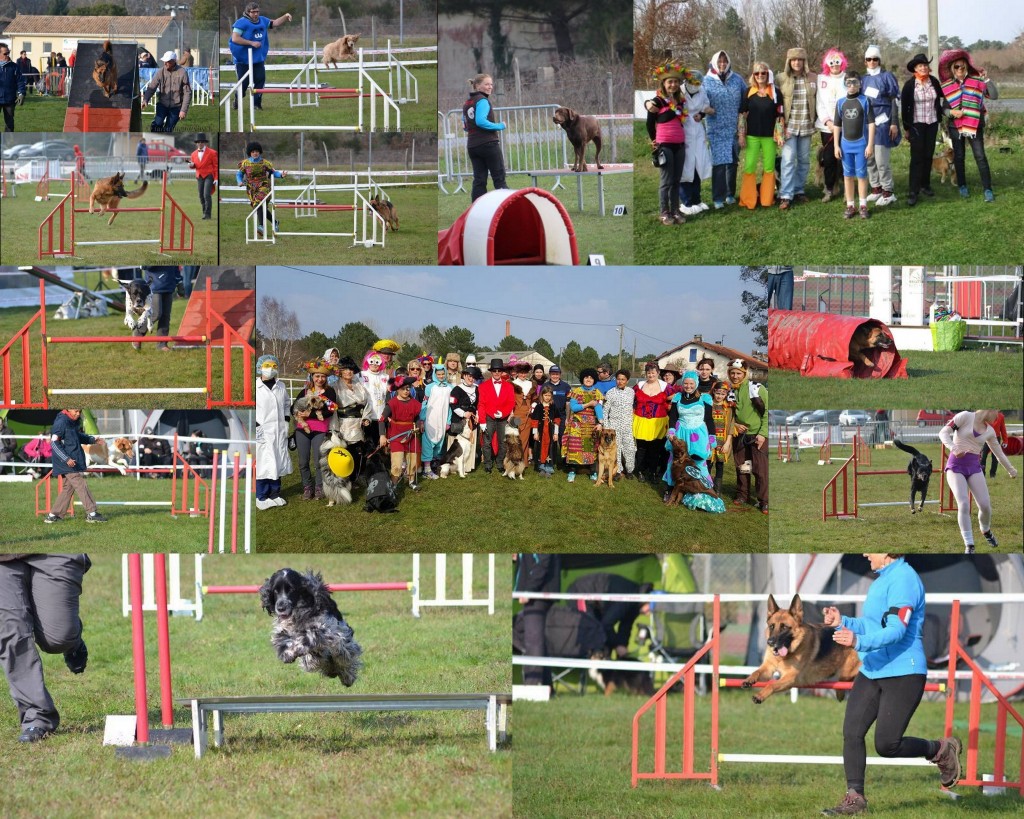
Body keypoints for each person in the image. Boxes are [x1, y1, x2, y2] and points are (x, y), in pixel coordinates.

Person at [820, 554, 963, 816]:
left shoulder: (905, 579)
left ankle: (940, 750)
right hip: (873, 669)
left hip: (904, 672)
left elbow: (896, 631)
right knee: (852, 732)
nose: (865, 554)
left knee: (887, 745)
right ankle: (856, 799)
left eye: (869, 549)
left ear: (887, 551)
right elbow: (873, 625)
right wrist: (843, 622)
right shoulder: (881, 580)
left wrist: (857, 642)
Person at [0, 554, 91, 743]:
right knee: (10, 632)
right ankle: (37, 716)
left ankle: (71, 640)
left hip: (52, 552)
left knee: (57, 639)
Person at [939, 410, 1017, 553]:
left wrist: (1011, 470)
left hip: (974, 468)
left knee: (985, 505)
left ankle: (985, 531)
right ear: (989, 409)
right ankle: (969, 545)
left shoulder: (991, 431)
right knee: (963, 504)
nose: (998, 417)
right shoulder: (965, 416)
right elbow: (943, 432)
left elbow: (998, 453)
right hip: (955, 466)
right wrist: (954, 448)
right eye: (996, 412)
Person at [938, 49, 998, 202]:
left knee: (980, 156)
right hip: (955, 126)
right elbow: (943, 109)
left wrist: (987, 80)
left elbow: (994, 96)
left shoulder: (976, 81)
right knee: (959, 157)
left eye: (962, 67)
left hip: (974, 125)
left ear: (966, 68)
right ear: (952, 68)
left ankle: (988, 189)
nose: (959, 70)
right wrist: (952, 113)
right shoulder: (947, 86)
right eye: (956, 67)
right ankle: (962, 186)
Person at [41, 409, 108, 524]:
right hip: (66, 461)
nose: (78, 414)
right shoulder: (61, 422)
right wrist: (66, 458)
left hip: (72, 460)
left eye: (80, 411)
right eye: (75, 411)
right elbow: (54, 443)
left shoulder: (72, 421)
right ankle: (92, 513)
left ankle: (53, 515)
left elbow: (76, 437)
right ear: (68, 409)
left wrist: (92, 440)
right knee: (81, 484)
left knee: (68, 488)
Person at [566, 573, 653, 657]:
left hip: (597, 603)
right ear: (646, 600)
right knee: (593, 629)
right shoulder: (627, 600)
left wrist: (622, 645)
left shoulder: (635, 602)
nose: (648, 614)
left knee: (602, 634)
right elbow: (606, 624)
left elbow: (626, 625)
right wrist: (617, 645)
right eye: (650, 609)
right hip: (580, 593)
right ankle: (594, 661)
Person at [645, 60, 687, 225]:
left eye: (676, 82)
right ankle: (664, 212)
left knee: (677, 180)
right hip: (665, 145)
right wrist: (654, 141)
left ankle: (675, 210)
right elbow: (649, 123)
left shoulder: (681, 101)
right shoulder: (658, 101)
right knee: (666, 180)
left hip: (680, 145)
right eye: (670, 82)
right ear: (664, 83)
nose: (673, 85)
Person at [901, 54, 945, 207]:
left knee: (928, 155)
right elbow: (905, 107)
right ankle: (913, 191)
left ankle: (925, 185)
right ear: (915, 68)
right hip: (916, 124)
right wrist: (907, 128)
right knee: (917, 157)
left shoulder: (934, 82)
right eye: (920, 66)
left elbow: (943, 97)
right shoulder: (909, 85)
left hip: (932, 123)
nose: (924, 68)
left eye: (925, 65)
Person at [704, 51, 747, 208]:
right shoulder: (706, 81)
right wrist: (706, 109)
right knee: (719, 164)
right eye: (719, 61)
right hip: (716, 128)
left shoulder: (737, 79)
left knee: (732, 162)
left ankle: (730, 194)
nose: (722, 64)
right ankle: (718, 197)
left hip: (734, 128)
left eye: (725, 61)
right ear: (714, 62)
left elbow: (746, 97)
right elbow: (699, 100)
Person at [230, 2, 293, 110]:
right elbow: (235, 38)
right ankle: (237, 100)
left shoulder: (262, 20)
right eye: (253, 12)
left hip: (257, 59)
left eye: (257, 12)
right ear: (248, 12)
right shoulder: (241, 23)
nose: (255, 14)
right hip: (243, 59)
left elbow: (275, 23)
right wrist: (251, 43)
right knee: (243, 84)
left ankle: (256, 104)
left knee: (260, 80)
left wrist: (286, 16)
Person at [738, 62, 784, 210]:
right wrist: (741, 135)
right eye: (757, 73)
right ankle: (748, 200)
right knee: (750, 167)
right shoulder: (748, 92)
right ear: (753, 75)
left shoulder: (775, 92)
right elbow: (742, 115)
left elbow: (780, 115)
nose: (760, 76)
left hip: (769, 137)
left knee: (769, 168)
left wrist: (780, 134)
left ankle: (767, 199)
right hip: (752, 136)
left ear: (767, 74)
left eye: (763, 73)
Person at [861, 45, 901, 207]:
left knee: (881, 159)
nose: (872, 62)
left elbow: (894, 100)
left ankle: (888, 191)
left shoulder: (887, 77)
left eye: (875, 59)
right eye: (869, 59)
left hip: (883, 121)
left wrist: (894, 123)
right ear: (865, 61)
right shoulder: (862, 79)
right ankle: (875, 188)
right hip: (866, 122)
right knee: (869, 157)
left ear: (879, 60)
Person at [292, 359, 337, 500]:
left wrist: (310, 414)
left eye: (323, 376)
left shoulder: (329, 392)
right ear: (312, 377)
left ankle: (319, 487)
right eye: (317, 376)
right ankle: (307, 487)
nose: (320, 379)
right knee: (303, 461)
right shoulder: (305, 391)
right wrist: (299, 414)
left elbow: (332, 410)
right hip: (302, 429)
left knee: (318, 460)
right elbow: (293, 407)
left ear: (326, 378)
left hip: (320, 429)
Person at [727, 358, 768, 513]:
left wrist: (763, 434)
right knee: (742, 467)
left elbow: (767, 412)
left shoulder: (757, 388)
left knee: (760, 469)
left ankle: (764, 500)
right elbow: (729, 415)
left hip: (757, 434)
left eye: (738, 373)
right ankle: (743, 494)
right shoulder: (730, 391)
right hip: (740, 435)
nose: (735, 376)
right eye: (732, 373)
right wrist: (735, 425)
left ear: (744, 373)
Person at [514, 553, 561, 690]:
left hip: (538, 594)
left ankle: (533, 687)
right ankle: (547, 688)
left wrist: (529, 590)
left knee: (533, 641)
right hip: (538, 593)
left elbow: (543, 561)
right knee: (538, 643)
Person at [778, 47, 817, 210]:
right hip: (789, 127)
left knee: (803, 161)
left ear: (804, 61)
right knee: (788, 160)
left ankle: (799, 189)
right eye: (793, 60)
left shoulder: (813, 77)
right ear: (789, 61)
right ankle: (786, 195)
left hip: (806, 126)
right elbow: (776, 103)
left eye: (800, 59)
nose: (797, 63)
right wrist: (779, 127)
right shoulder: (781, 78)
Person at [833, 71, 875, 220]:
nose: (851, 86)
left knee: (862, 175)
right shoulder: (840, 103)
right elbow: (837, 126)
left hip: (861, 144)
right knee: (848, 176)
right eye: (848, 83)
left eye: (855, 83)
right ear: (844, 84)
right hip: (845, 145)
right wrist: (836, 146)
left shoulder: (865, 101)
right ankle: (850, 205)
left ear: (860, 84)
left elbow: (871, 124)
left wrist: (870, 144)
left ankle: (863, 205)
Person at [462, 74, 507, 201]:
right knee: (499, 178)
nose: (490, 87)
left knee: (479, 180)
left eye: (491, 84)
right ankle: (505, 209)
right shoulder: (482, 100)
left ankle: (476, 211)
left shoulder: (467, 103)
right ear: (477, 86)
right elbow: (480, 121)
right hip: (488, 144)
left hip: (472, 146)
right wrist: (500, 125)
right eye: (487, 84)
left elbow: (465, 126)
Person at [255, 354, 290, 509]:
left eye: (274, 366)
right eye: (267, 366)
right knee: (264, 463)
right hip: (262, 431)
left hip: (279, 430)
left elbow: (287, 404)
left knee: (278, 460)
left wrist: (287, 421)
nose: (271, 369)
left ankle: (275, 493)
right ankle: (261, 496)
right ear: (260, 367)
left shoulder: (281, 386)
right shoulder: (256, 387)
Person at [333, 356, 373, 484]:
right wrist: (334, 428)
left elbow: (367, 403)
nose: (349, 372)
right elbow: (333, 408)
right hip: (343, 424)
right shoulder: (335, 387)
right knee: (345, 452)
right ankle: (345, 477)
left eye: (351, 369)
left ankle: (357, 476)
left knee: (358, 452)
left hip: (358, 424)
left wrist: (366, 417)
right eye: (345, 369)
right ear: (340, 371)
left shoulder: (359, 386)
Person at [377, 376, 421, 488]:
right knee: (397, 463)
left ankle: (411, 481)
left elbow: (416, 418)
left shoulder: (414, 403)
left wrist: (419, 424)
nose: (406, 391)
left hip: (411, 434)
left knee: (413, 460)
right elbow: (382, 420)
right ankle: (393, 484)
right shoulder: (392, 403)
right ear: (397, 389)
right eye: (403, 389)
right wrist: (382, 435)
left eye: (408, 388)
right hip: (397, 435)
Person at [679, 70, 713, 215]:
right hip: (684, 130)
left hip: (698, 131)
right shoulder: (679, 91)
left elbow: (705, 106)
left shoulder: (702, 91)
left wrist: (702, 114)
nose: (694, 86)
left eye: (697, 83)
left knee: (698, 165)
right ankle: (686, 202)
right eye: (692, 82)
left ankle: (697, 200)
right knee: (687, 167)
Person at [816, 48, 847, 202]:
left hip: (846, 126)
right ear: (827, 64)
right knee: (829, 158)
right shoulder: (821, 78)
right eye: (832, 62)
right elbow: (820, 103)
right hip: (827, 126)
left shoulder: (848, 78)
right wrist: (827, 121)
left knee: (845, 157)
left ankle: (847, 188)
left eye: (837, 62)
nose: (835, 65)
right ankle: (829, 188)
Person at [236, 141, 286, 237]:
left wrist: (281, 175)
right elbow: (239, 174)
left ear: (260, 152)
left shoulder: (265, 163)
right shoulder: (245, 163)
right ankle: (275, 222)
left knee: (258, 203)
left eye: (257, 151)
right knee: (259, 207)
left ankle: (261, 226)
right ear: (250, 152)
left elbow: (273, 172)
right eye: (253, 151)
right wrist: (239, 181)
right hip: (251, 189)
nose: (255, 153)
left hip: (264, 186)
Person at [632, 362, 671, 483]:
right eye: (648, 373)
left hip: (658, 422)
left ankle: (653, 472)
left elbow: (676, 398)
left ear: (658, 373)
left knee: (655, 449)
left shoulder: (666, 387)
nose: (651, 375)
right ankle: (640, 471)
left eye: (653, 372)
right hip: (641, 420)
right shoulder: (639, 385)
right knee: (641, 448)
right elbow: (630, 398)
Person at [563, 368, 604, 483]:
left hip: (591, 425)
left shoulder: (597, 393)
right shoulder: (576, 391)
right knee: (574, 447)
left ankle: (593, 472)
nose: (588, 379)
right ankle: (572, 471)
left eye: (591, 378)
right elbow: (574, 408)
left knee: (591, 448)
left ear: (594, 380)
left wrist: (600, 423)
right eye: (586, 377)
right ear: (583, 379)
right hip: (576, 424)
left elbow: (599, 409)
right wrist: (588, 404)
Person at [478, 359, 514, 474]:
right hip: (489, 417)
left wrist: (504, 413)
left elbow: (511, 402)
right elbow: (481, 404)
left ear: (502, 372)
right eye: (494, 370)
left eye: (499, 371)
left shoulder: (509, 386)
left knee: (503, 442)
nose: (497, 373)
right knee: (487, 442)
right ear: (491, 372)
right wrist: (482, 421)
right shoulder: (483, 386)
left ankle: (499, 463)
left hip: (502, 418)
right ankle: (488, 464)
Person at [142, 51, 190, 133]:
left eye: (168, 61)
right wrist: (146, 99)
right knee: (157, 126)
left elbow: (187, 93)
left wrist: (183, 110)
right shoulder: (160, 72)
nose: (165, 63)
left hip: (176, 107)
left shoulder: (182, 72)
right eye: (165, 61)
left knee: (168, 130)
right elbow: (152, 87)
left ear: (174, 61)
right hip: (162, 105)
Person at [419, 362, 452, 480]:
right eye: (439, 374)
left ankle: (435, 465)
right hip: (430, 419)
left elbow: (450, 407)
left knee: (440, 441)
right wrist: (422, 420)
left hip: (442, 419)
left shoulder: (450, 388)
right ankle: (426, 469)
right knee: (428, 442)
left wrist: (448, 421)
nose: (441, 376)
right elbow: (424, 404)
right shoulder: (430, 387)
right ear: (435, 374)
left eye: (443, 374)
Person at [602, 369, 636, 480]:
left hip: (627, 426)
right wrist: (607, 427)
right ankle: (618, 471)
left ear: (627, 380)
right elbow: (605, 411)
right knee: (616, 449)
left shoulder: (631, 392)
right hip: (614, 426)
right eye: (618, 379)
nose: (620, 381)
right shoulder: (611, 393)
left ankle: (630, 470)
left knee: (630, 448)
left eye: (623, 379)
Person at [142, 266, 182, 351]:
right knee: (156, 314)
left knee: (165, 316)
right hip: (154, 287)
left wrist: (179, 283)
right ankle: (138, 333)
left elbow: (175, 268)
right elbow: (144, 266)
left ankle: (162, 344)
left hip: (168, 286)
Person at [530, 385, 562, 477]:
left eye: (549, 395)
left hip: (550, 432)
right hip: (541, 432)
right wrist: (535, 432)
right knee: (540, 448)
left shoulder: (554, 407)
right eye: (545, 395)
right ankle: (541, 467)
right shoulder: (538, 407)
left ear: (551, 396)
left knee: (551, 448)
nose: (547, 397)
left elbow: (557, 420)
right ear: (542, 395)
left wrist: (556, 433)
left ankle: (549, 467)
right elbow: (535, 421)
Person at [708, 380, 733, 493]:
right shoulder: (708, 405)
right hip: (708, 440)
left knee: (719, 465)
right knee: (708, 463)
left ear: (726, 394)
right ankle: (706, 487)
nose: (720, 396)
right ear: (713, 392)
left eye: (723, 394)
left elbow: (731, 425)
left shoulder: (728, 408)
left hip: (722, 441)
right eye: (718, 393)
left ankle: (717, 490)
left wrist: (727, 442)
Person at [188, 134, 217, 221]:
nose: (200, 143)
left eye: (202, 142)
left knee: (206, 194)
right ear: (196, 143)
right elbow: (194, 166)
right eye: (198, 142)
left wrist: (216, 178)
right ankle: (204, 212)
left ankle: (208, 214)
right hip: (199, 176)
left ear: (205, 143)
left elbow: (216, 166)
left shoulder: (212, 152)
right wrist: (191, 165)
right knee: (201, 195)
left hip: (209, 175)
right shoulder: (193, 154)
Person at [0, 44, 26, 133]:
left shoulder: (14, 67)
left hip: (9, 99)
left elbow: (20, 81)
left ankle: (8, 144)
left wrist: (21, 93)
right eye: (5, 53)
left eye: (8, 53)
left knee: (9, 124)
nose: (8, 55)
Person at [979, 410, 1008, 478]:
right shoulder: (985, 414)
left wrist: (1005, 441)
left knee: (995, 457)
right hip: (986, 438)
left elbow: (1003, 429)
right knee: (983, 456)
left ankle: (992, 474)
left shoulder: (1001, 416)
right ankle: (982, 474)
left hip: (996, 438)